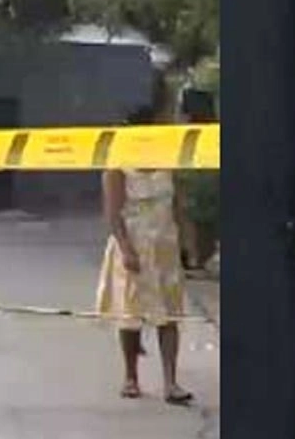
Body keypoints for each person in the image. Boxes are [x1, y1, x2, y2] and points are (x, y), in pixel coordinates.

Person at [95, 78, 193, 404]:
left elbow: (179, 204)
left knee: (170, 315)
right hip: (133, 242)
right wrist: (126, 249)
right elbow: (113, 213)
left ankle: (171, 382)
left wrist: (188, 243)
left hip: (165, 243)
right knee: (131, 314)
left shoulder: (167, 159)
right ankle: (130, 376)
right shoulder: (117, 165)